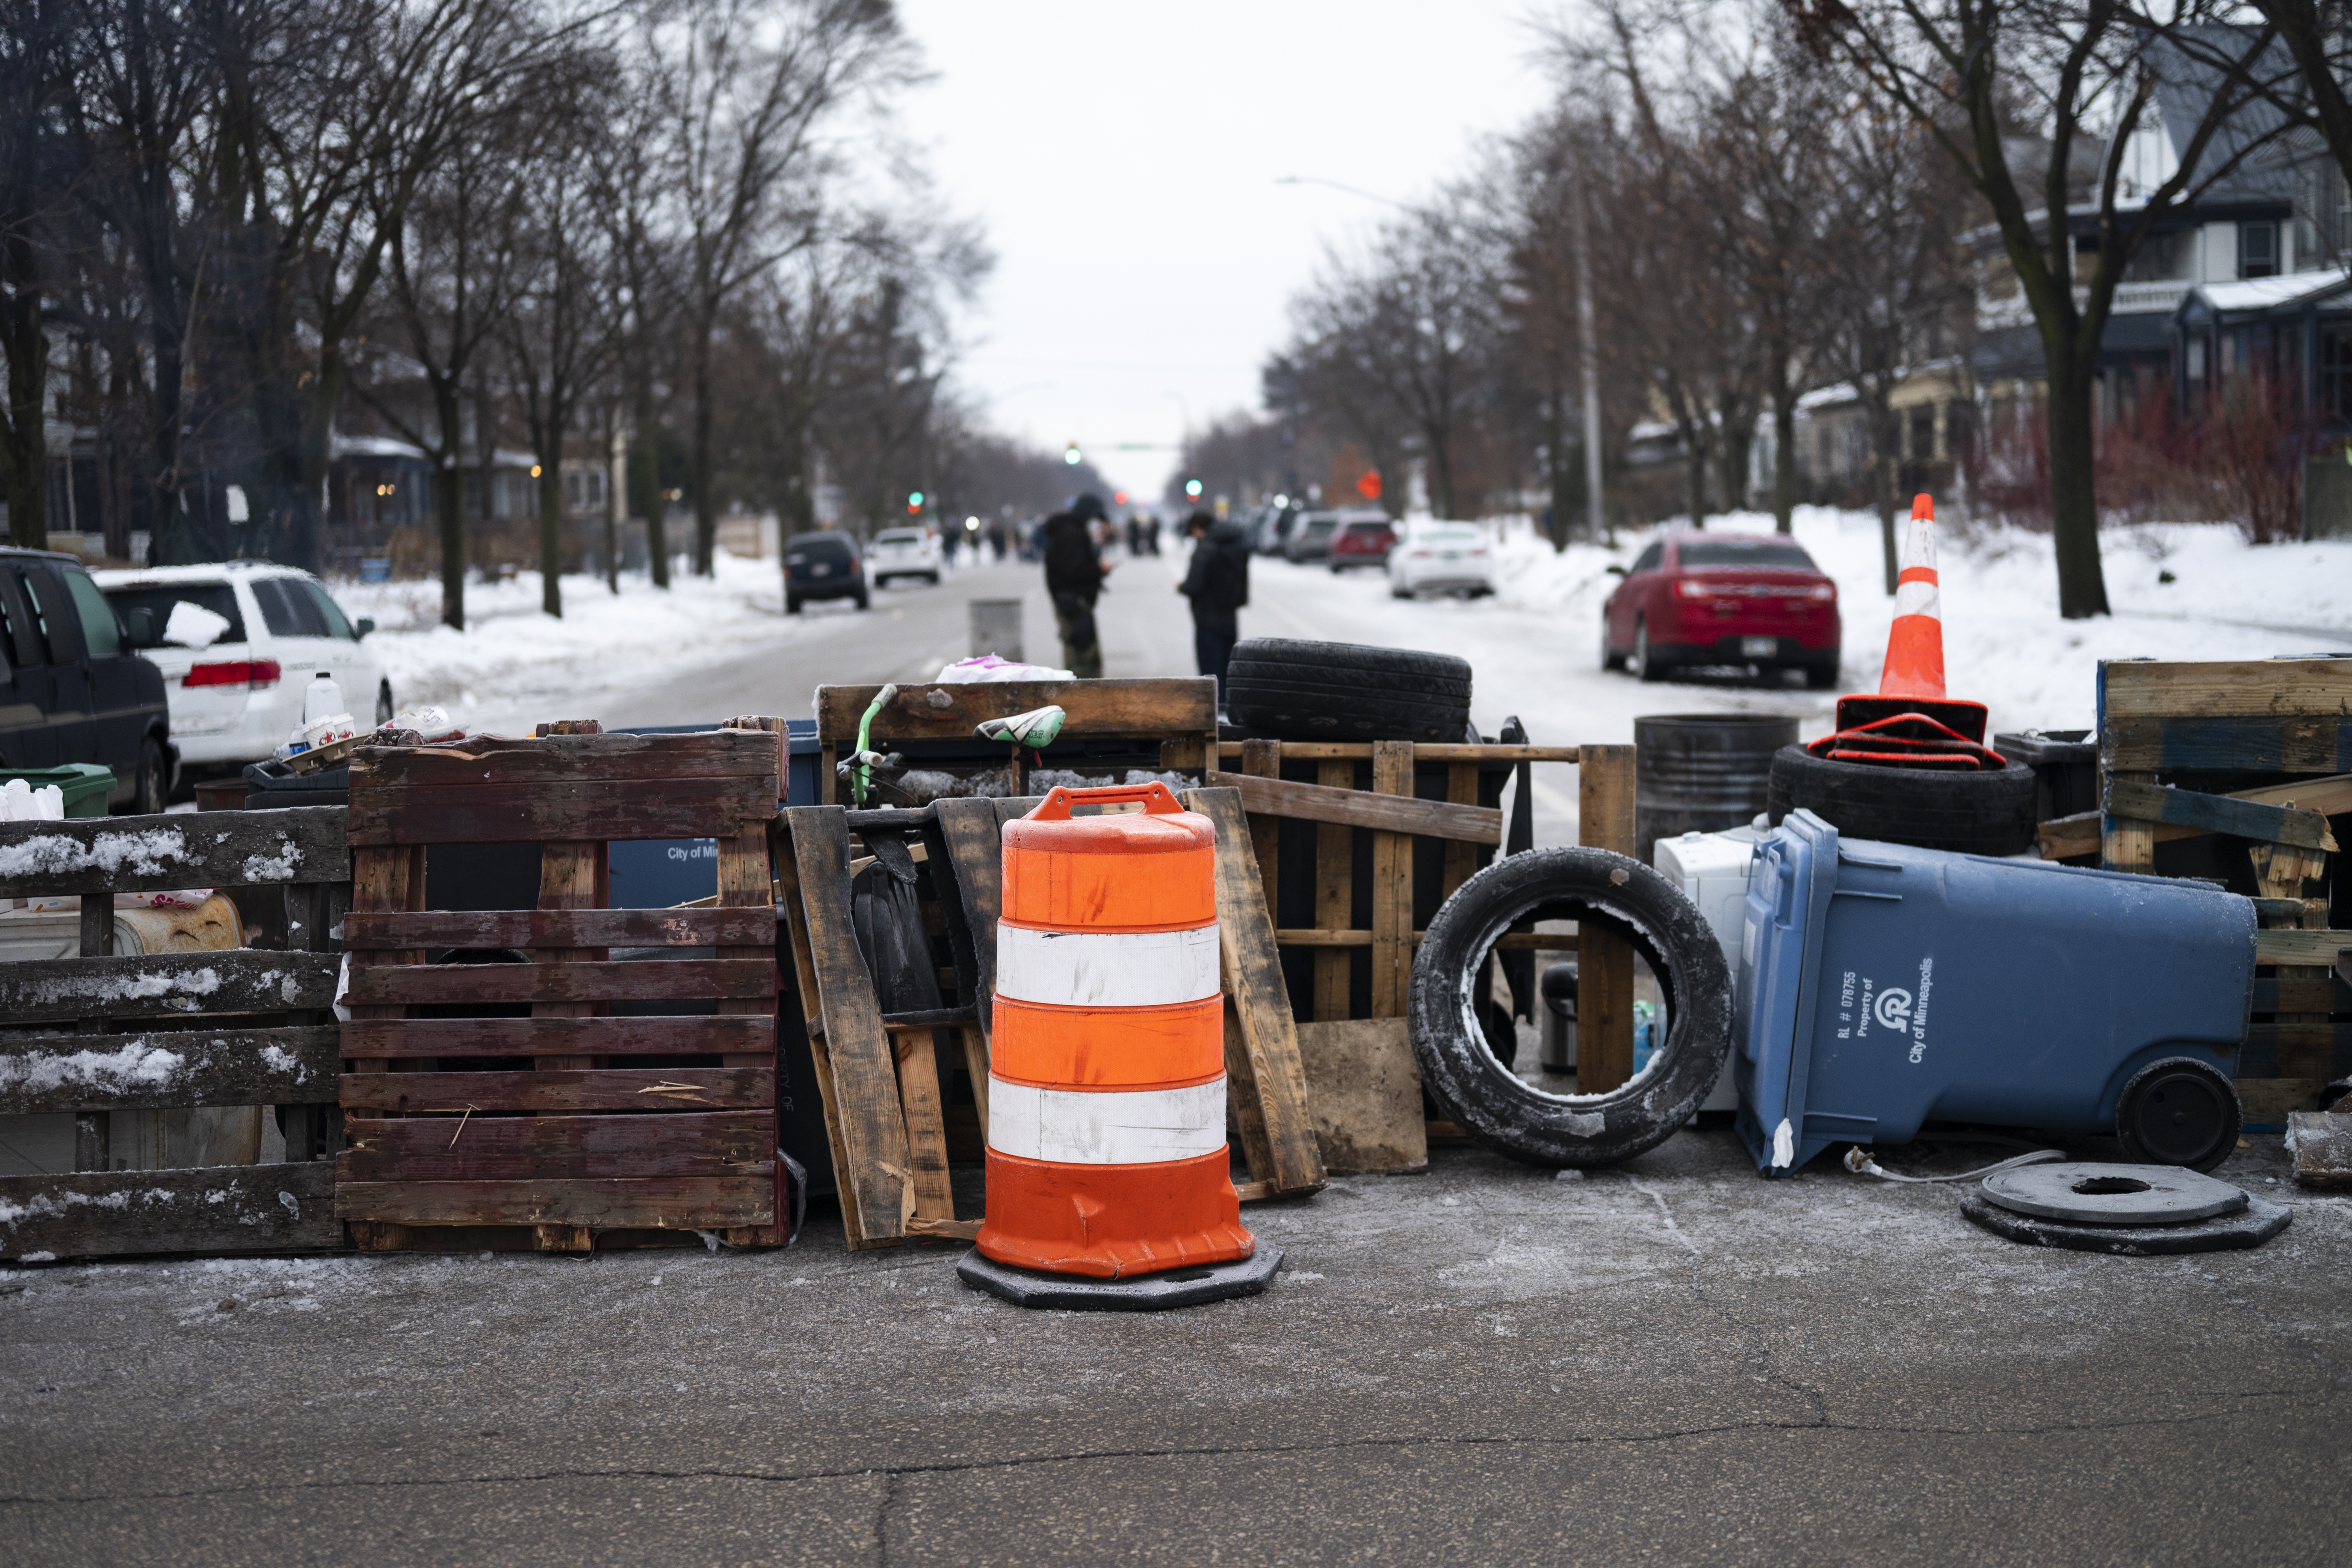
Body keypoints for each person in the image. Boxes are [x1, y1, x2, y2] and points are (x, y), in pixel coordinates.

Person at [1177, 508, 1249, 697]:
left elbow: (1194, 585)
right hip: (1230, 617)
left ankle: (1214, 721)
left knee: (1210, 679)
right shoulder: (1234, 544)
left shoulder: (1206, 548)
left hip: (1208, 620)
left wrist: (1181, 587)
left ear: (1197, 529)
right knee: (1227, 673)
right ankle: (1227, 720)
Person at [1041, 493, 1113, 677]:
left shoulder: (1071, 531)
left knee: (1083, 654)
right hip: (1074, 603)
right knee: (1083, 658)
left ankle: (1084, 698)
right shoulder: (1071, 534)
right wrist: (1098, 569)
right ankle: (1082, 701)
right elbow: (1074, 570)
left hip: (1074, 602)